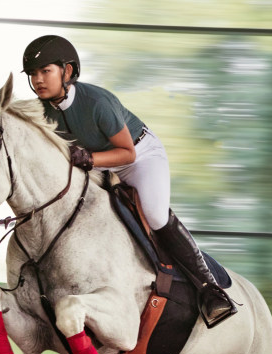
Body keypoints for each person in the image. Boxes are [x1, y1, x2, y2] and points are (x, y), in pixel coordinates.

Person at [22, 35, 236, 328]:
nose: (38, 80)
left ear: (67, 72)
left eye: (45, 71)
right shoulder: (43, 109)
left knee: (155, 215)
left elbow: (127, 152)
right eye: (33, 74)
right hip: (95, 163)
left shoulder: (97, 102)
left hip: (139, 157)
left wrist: (91, 160)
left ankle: (210, 290)